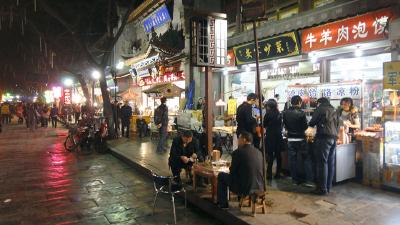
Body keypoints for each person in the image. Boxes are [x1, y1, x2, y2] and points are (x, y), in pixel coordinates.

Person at [216, 131, 264, 209]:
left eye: (239, 138)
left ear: (244, 140)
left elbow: (232, 171)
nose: (238, 140)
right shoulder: (258, 152)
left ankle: (223, 204)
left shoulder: (238, 152)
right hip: (260, 185)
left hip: (244, 187)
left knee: (221, 175)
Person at [308, 97, 339, 195]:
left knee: (322, 163)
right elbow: (338, 124)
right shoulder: (334, 109)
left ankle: (322, 189)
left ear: (320, 103)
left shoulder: (320, 108)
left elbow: (312, 122)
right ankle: (328, 187)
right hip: (333, 138)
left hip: (324, 138)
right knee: (330, 162)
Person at [283, 95, 313, 185]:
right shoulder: (301, 113)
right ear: (300, 102)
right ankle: (308, 180)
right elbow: (305, 127)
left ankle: (295, 180)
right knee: (306, 159)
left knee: (293, 160)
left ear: (291, 102)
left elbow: (285, 125)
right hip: (301, 139)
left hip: (291, 138)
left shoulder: (285, 112)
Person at [263, 99, 284, 180]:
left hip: (270, 136)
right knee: (278, 155)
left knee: (270, 155)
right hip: (278, 135)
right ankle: (278, 173)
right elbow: (281, 125)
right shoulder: (279, 113)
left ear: (269, 106)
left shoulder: (267, 114)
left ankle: (269, 174)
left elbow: (264, 125)